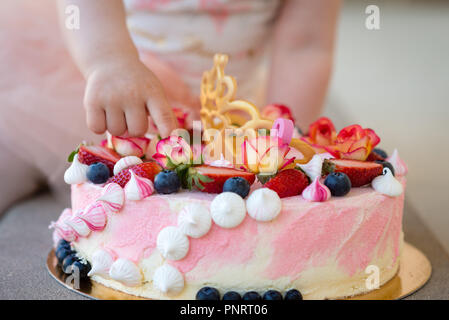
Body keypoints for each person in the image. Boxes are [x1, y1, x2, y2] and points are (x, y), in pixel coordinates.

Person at [0, 0, 340, 213]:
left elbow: (305, 47)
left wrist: (285, 143)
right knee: (22, 157)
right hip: (113, 85)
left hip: (224, 115)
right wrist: (110, 62)